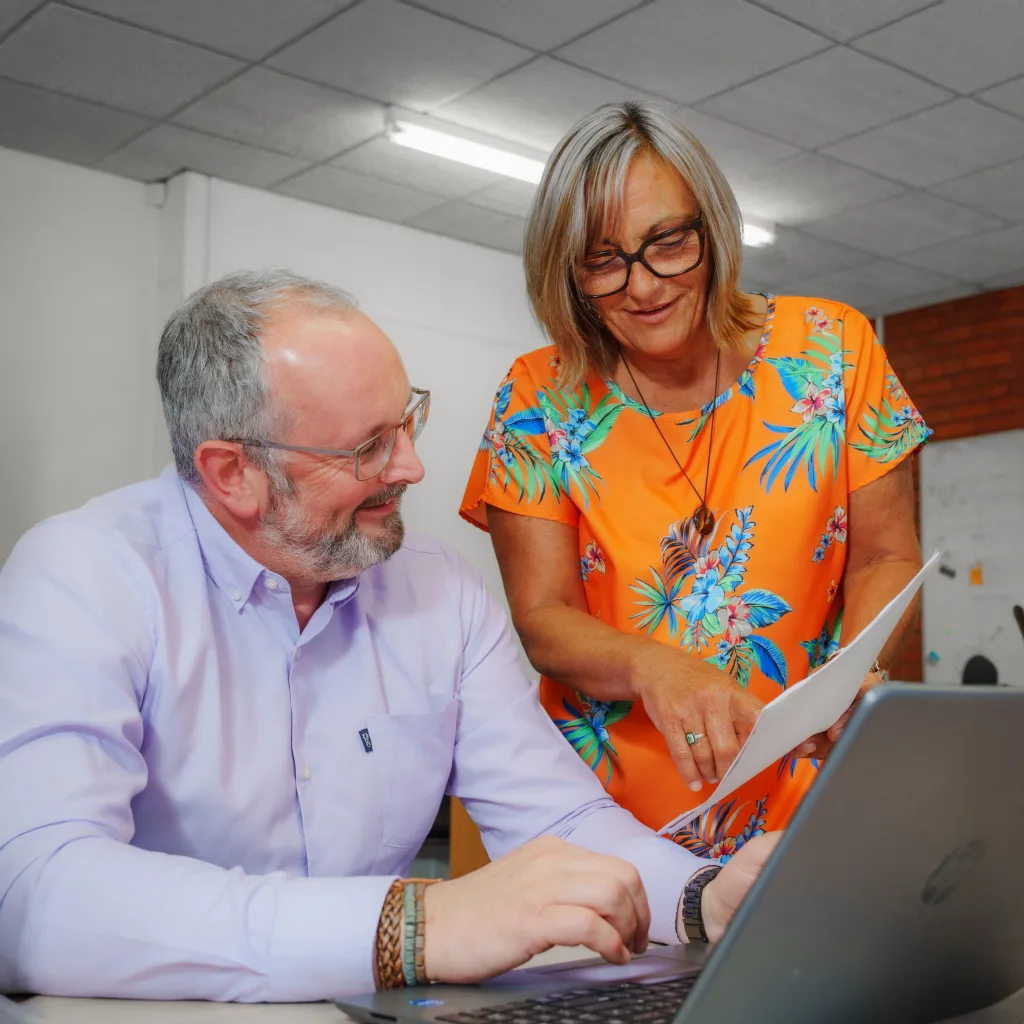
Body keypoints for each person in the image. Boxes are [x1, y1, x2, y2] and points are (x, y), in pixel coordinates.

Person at [0, 270, 776, 1003]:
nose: (411, 466)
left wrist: (702, 899)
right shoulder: (86, 574)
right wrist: (410, 929)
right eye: (368, 446)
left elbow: (559, 820)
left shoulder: (440, 590)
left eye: (409, 420)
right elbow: (35, 894)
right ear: (232, 472)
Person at [460, 100, 930, 853]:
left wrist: (856, 677)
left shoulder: (833, 351)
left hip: (804, 796)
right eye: (602, 260)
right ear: (567, 270)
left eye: (667, 243)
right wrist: (653, 667)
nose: (642, 287)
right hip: (604, 820)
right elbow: (543, 615)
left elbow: (887, 555)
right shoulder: (537, 396)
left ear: (712, 228)